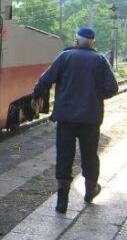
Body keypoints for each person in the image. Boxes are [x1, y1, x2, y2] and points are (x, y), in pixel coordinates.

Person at [31, 26, 118, 214]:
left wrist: (35, 95)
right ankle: (90, 191)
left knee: (64, 156)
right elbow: (112, 88)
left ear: (76, 40)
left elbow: (46, 79)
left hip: (66, 118)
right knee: (90, 155)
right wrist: (95, 96)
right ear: (92, 42)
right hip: (90, 118)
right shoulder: (100, 60)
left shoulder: (65, 57)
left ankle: (62, 202)